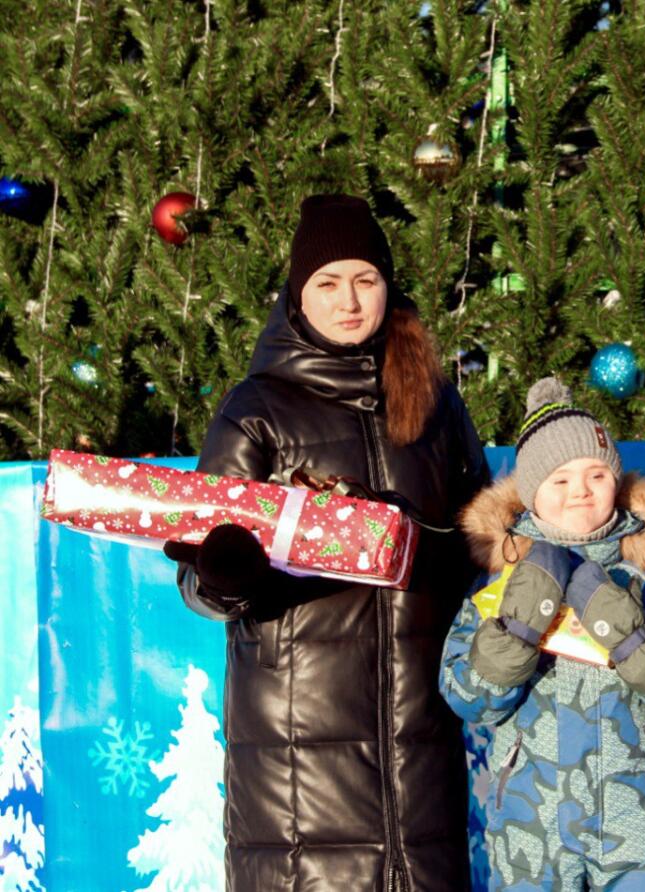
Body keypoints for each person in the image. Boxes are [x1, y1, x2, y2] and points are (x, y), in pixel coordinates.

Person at [164, 195, 489, 891]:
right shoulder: (256, 410)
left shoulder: (433, 403)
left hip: (420, 737)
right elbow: (198, 580)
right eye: (328, 282)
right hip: (299, 747)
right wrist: (225, 574)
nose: (349, 301)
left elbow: (480, 537)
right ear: (298, 295)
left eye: (366, 280)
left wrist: (429, 542)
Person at [440, 378, 645, 891]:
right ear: (531, 492)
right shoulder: (499, 577)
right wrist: (515, 631)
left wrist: (635, 641)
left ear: (617, 480)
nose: (581, 491)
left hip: (639, 813)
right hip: (529, 814)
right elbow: (466, 697)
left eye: (596, 474)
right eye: (560, 479)